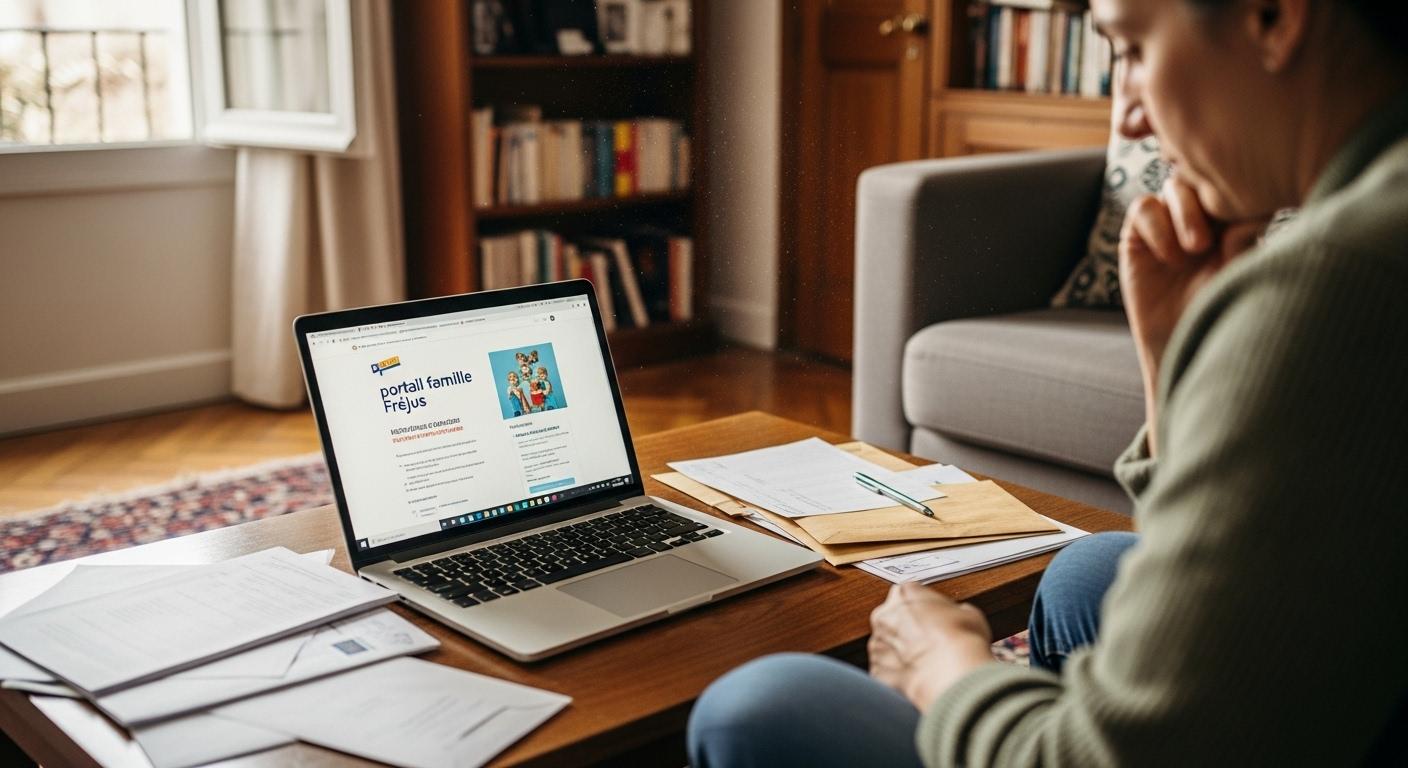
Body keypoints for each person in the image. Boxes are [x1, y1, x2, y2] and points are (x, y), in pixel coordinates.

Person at [687, 0, 1408, 764]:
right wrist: (1171, 358)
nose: (1126, 117)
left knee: (752, 708)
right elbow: (1225, 539)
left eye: (1131, 49)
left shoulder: (1336, 285)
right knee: (1089, 570)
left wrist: (949, 673)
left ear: (1273, 17)